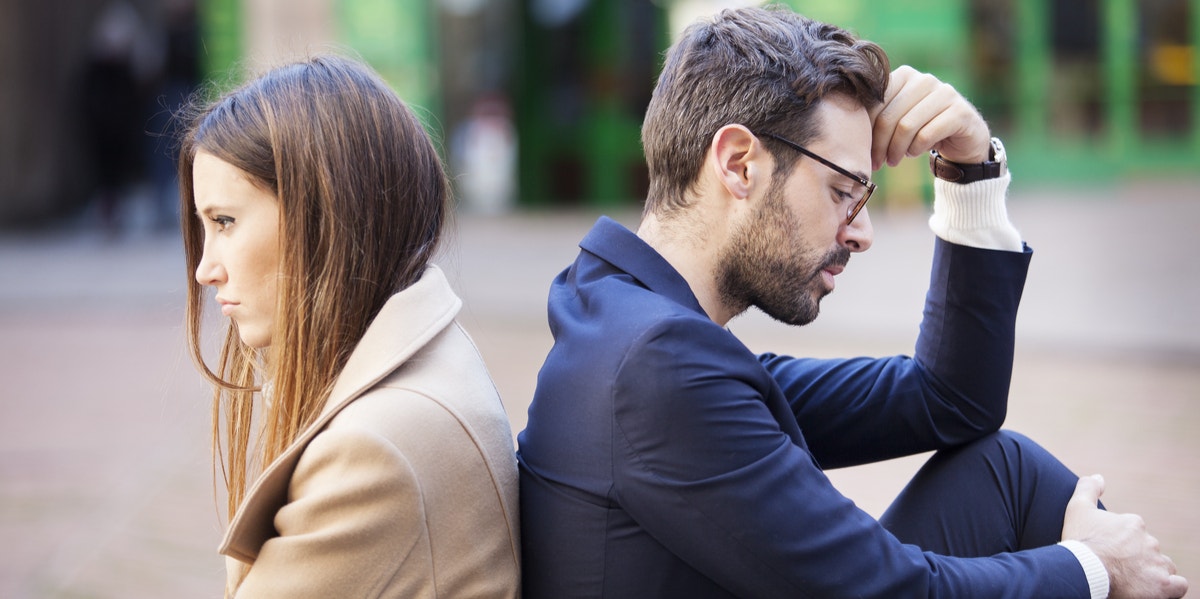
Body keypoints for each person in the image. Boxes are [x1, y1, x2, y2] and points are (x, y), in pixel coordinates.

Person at [516, 7, 1186, 599]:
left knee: (1003, 469)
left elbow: (950, 400)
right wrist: (1094, 567)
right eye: (844, 192)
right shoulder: (656, 369)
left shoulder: (635, 327)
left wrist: (969, 169)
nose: (862, 233)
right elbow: (890, 588)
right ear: (740, 163)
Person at [178, 55, 521, 598]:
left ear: (324, 213)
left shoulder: (374, 449)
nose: (205, 269)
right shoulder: (420, 354)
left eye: (226, 222)